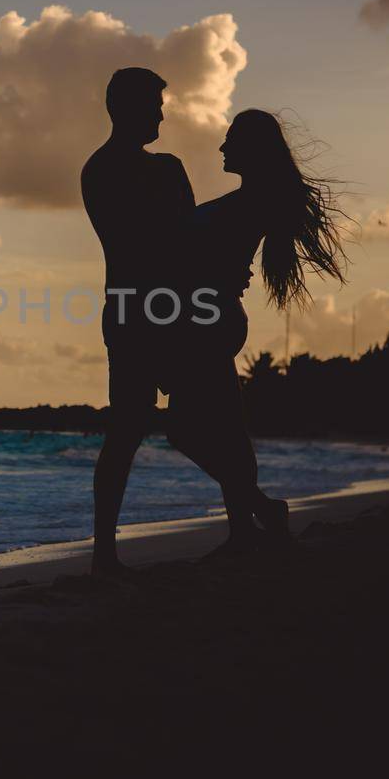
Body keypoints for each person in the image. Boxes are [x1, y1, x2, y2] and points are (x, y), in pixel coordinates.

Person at [164, 109, 348, 558]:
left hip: (208, 320)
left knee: (185, 431)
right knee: (226, 430)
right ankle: (245, 529)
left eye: (231, 141)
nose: (223, 148)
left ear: (252, 148)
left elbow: (211, 260)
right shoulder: (252, 200)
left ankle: (261, 510)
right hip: (211, 317)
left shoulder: (252, 203)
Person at [80, 67, 195, 576]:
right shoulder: (135, 170)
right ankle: (104, 552)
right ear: (126, 109)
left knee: (139, 428)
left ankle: (105, 552)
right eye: (153, 105)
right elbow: (177, 238)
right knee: (133, 428)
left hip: (137, 304)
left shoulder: (102, 169)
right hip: (147, 306)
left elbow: (179, 238)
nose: (161, 115)